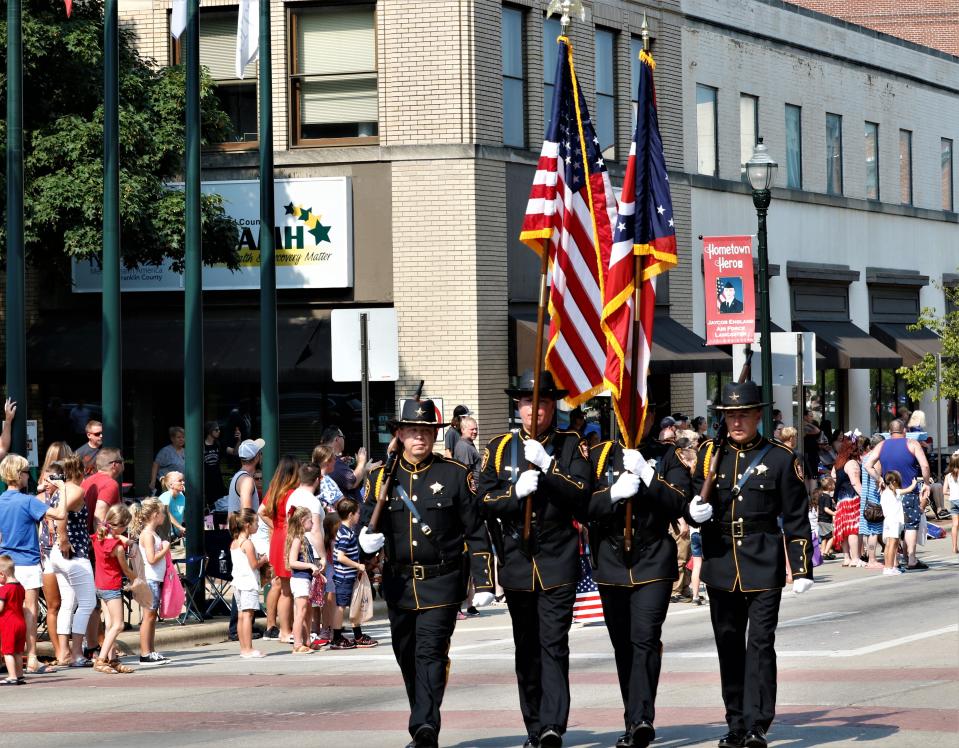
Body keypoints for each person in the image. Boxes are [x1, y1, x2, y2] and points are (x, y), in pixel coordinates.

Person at [359, 396, 494, 748]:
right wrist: (365, 543)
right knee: (406, 654)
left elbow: (475, 531)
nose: (420, 437)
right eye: (413, 431)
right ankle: (422, 714)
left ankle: (424, 726)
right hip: (400, 583)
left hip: (442, 581)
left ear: (435, 436)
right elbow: (365, 529)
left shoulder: (454, 475)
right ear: (400, 434)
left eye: (427, 431)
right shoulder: (381, 478)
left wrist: (483, 580)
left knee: (430, 653)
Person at [688, 382, 813, 748]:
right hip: (720, 559)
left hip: (762, 559)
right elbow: (692, 498)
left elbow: (795, 516)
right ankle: (736, 723)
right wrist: (692, 510)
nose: (737, 421)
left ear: (759, 415)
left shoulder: (779, 458)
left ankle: (758, 724)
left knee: (759, 643)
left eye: (743, 414)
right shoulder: (710, 454)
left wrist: (801, 567)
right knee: (728, 644)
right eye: (730, 415)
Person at [476, 370, 590, 748]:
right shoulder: (498, 447)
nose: (534, 411)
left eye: (541, 403)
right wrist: (514, 494)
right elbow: (485, 501)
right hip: (517, 562)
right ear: (518, 406)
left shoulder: (570, 444)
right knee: (526, 647)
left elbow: (581, 493)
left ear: (551, 405)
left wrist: (549, 467)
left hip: (557, 559)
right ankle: (535, 726)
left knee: (553, 643)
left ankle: (554, 724)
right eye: (527, 403)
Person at [587, 415, 689, 748]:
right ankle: (633, 718)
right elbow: (582, 506)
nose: (634, 422)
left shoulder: (667, 455)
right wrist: (612, 495)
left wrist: (648, 474)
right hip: (612, 561)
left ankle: (642, 717)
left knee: (644, 638)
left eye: (641, 415)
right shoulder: (599, 454)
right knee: (623, 646)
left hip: (653, 559)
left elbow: (679, 502)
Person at [0, 454, 69, 673]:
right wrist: (63, 489)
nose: (27, 476)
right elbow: (59, 513)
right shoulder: (28, 500)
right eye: (25, 472)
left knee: (7, 610)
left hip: (5, 562)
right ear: (17, 474)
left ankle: (8, 656)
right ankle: (31, 658)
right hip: (27, 561)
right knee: (28, 609)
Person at [47, 457, 98, 667]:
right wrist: (64, 539)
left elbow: (52, 516)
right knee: (88, 603)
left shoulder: (60, 490)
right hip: (73, 554)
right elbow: (60, 517)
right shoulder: (75, 490)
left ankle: (64, 653)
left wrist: (58, 536)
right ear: (80, 469)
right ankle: (77, 653)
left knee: (69, 602)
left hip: (58, 555)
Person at [863, 419, 931, 570]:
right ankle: (911, 559)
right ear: (904, 430)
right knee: (910, 525)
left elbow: (868, 465)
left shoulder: (882, 445)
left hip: (889, 494)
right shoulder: (912, 443)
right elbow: (924, 465)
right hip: (909, 491)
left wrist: (879, 479)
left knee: (893, 526)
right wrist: (926, 483)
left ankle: (894, 561)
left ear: (889, 432)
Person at [226, 438, 267, 642]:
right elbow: (246, 509)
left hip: (238, 534)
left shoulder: (237, 477)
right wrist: (247, 536)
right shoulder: (247, 480)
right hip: (243, 535)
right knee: (246, 579)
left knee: (242, 579)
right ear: (256, 457)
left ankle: (240, 626)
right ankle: (237, 627)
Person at [37, 441, 73, 664]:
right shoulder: (41, 496)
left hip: (55, 552)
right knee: (56, 604)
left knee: (64, 602)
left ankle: (65, 649)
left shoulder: (66, 492)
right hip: (49, 552)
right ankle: (61, 650)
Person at [90, 504, 137, 674]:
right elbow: (126, 570)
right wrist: (138, 580)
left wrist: (125, 541)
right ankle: (101, 659)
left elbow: (114, 536)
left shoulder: (99, 537)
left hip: (100, 585)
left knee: (109, 624)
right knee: (118, 625)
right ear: (122, 525)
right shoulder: (116, 547)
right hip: (112, 586)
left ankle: (113, 659)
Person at [262, 455, 301, 642]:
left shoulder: (275, 489)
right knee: (291, 589)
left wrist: (276, 526)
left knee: (284, 587)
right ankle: (287, 630)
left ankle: (283, 629)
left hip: (277, 537)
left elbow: (262, 511)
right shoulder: (292, 492)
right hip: (289, 538)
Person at [331, 497, 375, 650]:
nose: (359, 516)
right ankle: (336, 637)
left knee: (354, 604)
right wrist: (358, 565)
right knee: (341, 606)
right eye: (357, 513)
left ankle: (358, 635)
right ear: (350, 515)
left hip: (349, 575)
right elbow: (340, 556)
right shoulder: (345, 533)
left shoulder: (346, 531)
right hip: (344, 576)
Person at [134, 499, 171, 664]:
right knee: (148, 617)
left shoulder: (152, 534)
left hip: (153, 579)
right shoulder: (148, 535)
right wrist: (165, 549)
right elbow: (151, 559)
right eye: (162, 513)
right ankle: (145, 653)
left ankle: (151, 650)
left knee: (152, 616)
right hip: (150, 580)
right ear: (155, 515)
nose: (164, 516)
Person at [229, 508, 268, 658]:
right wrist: (263, 560)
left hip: (238, 582)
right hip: (248, 583)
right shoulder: (248, 543)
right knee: (248, 616)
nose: (257, 525)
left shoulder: (235, 542)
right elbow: (254, 564)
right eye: (255, 523)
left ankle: (243, 648)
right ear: (247, 524)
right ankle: (249, 648)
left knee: (241, 615)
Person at [287, 506, 322, 654]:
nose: (313, 524)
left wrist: (316, 570)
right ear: (302, 521)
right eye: (310, 521)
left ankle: (307, 640)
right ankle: (297, 643)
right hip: (299, 580)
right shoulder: (297, 540)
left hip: (306, 579)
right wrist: (309, 565)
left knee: (307, 612)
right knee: (300, 612)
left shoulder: (305, 539)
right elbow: (292, 562)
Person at [832, 440, 864, 567]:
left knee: (844, 530)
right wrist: (865, 497)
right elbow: (855, 482)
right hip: (852, 499)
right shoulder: (852, 463)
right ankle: (855, 558)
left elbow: (834, 478)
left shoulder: (838, 464)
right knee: (853, 530)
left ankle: (847, 558)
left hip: (841, 499)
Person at [320, 426, 373, 501]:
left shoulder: (328, 459)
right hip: (348, 510)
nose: (344, 439)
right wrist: (361, 462)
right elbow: (352, 482)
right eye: (343, 437)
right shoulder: (333, 462)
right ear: (337, 439)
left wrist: (364, 468)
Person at [81, 448, 124, 533]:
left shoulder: (87, 481)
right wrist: (100, 544)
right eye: (121, 461)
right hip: (95, 541)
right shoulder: (110, 484)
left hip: (86, 539)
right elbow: (99, 519)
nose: (123, 463)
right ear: (114, 464)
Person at [880, 470, 914, 576]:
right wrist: (914, 483)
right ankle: (890, 567)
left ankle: (887, 567)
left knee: (889, 544)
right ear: (894, 482)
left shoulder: (887, 492)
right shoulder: (892, 493)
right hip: (893, 521)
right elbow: (908, 489)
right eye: (898, 482)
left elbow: (907, 490)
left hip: (889, 521)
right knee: (893, 544)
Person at [0, 554, 27, 685]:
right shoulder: (20, 587)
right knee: (17, 651)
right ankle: (20, 675)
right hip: (21, 622)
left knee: (7, 651)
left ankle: (12, 676)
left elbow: (1, 607)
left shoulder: (4, 590)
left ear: (2, 574)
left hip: (9, 624)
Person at [858, 434, 885, 568]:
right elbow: (877, 479)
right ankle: (872, 560)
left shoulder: (866, 457)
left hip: (865, 497)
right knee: (874, 530)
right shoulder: (877, 459)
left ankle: (869, 557)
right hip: (874, 497)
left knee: (866, 529)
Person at [203, 421, 239, 511]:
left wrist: (239, 440)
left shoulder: (219, 444)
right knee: (207, 507)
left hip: (217, 480)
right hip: (205, 481)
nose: (219, 431)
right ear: (209, 431)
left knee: (219, 505)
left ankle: (217, 524)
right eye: (216, 429)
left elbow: (235, 452)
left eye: (219, 429)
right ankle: (208, 524)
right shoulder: (201, 445)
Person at [148, 426, 185, 495]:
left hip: (180, 486)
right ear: (172, 439)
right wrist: (152, 481)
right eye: (179, 437)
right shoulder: (165, 451)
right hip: (167, 487)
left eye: (183, 437)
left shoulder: (186, 451)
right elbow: (156, 465)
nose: (181, 439)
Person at [312, 444, 345, 511]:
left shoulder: (312, 477)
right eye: (334, 459)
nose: (335, 461)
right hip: (329, 519)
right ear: (327, 461)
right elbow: (342, 504)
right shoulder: (325, 481)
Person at [157, 471, 187, 541]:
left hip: (176, 535)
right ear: (171, 485)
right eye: (180, 481)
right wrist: (180, 527)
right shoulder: (165, 496)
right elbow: (166, 513)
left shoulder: (182, 497)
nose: (183, 483)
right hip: (163, 537)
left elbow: (186, 514)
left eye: (183, 480)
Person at [944, 453, 959, 554]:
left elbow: (944, 491)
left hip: (953, 500)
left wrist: (952, 492)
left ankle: (954, 547)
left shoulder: (948, 476)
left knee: (955, 525)